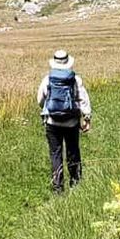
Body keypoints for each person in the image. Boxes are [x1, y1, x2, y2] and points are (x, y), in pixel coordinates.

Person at [37, 49, 92, 193]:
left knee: (55, 153)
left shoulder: (47, 79)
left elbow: (40, 100)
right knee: (73, 151)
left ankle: (58, 187)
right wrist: (86, 118)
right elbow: (83, 100)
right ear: (68, 63)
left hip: (52, 123)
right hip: (71, 122)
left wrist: (49, 110)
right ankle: (76, 183)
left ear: (54, 63)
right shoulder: (75, 79)